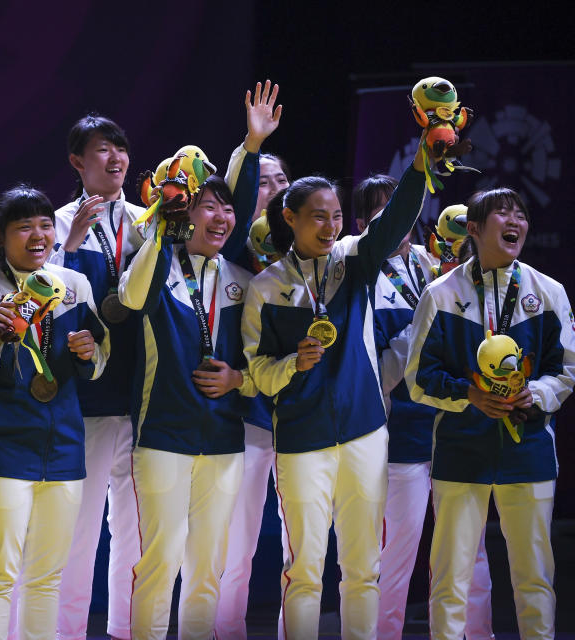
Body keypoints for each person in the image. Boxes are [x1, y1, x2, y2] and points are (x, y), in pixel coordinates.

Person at [242, 139, 428, 638]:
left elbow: (393, 221)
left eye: (337, 215)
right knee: (304, 569)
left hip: (365, 431)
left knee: (363, 568)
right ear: (290, 216)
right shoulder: (266, 289)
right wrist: (291, 366)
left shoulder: (355, 261)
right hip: (302, 440)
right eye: (318, 216)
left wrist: (422, 162)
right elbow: (258, 371)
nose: (331, 226)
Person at [406, 188, 575, 639]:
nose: (514, 220)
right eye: (502, 212)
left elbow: (566, 371)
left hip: (530, 453)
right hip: (461, 453)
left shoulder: (548, 292)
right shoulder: (441, 294)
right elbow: (419, 377)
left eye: (520, 213)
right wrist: (469, 395)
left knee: (535, 579)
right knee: (450, 580)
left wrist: (534, 394)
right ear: (475, 229)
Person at [0, 185, 108, 640]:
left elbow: (97, 367)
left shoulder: (73, 285)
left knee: (47, 576)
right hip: (1, 448)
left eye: (44, 225)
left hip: (64, 447)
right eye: (24, 227)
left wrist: (88, 351)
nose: (38, 236)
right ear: (1, 237)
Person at [118, 170, 264, 637]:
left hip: (224, 439)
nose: (221, 218)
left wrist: (239, 380)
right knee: (160, 560)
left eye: (227, 208)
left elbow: (259, 360)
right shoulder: (157, 267)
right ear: (186, 214)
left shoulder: (243, 280)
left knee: (207, 566)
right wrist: (163, 224)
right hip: (163, 435)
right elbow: (132, 297)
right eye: (208, 207)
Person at [355, 178, 494, 640]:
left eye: (406, 211)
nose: (400, 224)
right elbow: (374, 374)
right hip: (401, 439)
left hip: (453, 426)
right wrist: (420, 337)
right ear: (363, 223)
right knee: (396, 555)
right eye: (384, 213)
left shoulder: (433, 265)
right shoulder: (359, 277)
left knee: (467, 551)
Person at [49, 114, 144, 640]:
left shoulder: (149, 221)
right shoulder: (57, 223)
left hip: (141, 394)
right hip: (84, 400)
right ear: (77, 162)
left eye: (121, 149)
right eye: (103, 150)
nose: (115, 159)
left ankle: (125, 630)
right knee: (78, 533)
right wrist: (73, 244)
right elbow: (47, 299)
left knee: (133, 534)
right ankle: (66, 632)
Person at [216, 84, 290, 639]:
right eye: (263, 181)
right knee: (232, 542)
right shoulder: (230, 249)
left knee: (304, 548)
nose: (274, 189)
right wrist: (252, 144)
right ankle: (224, 629)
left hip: (301, 416)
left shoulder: (312, 253)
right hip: (242, 417)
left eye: (282, 181)